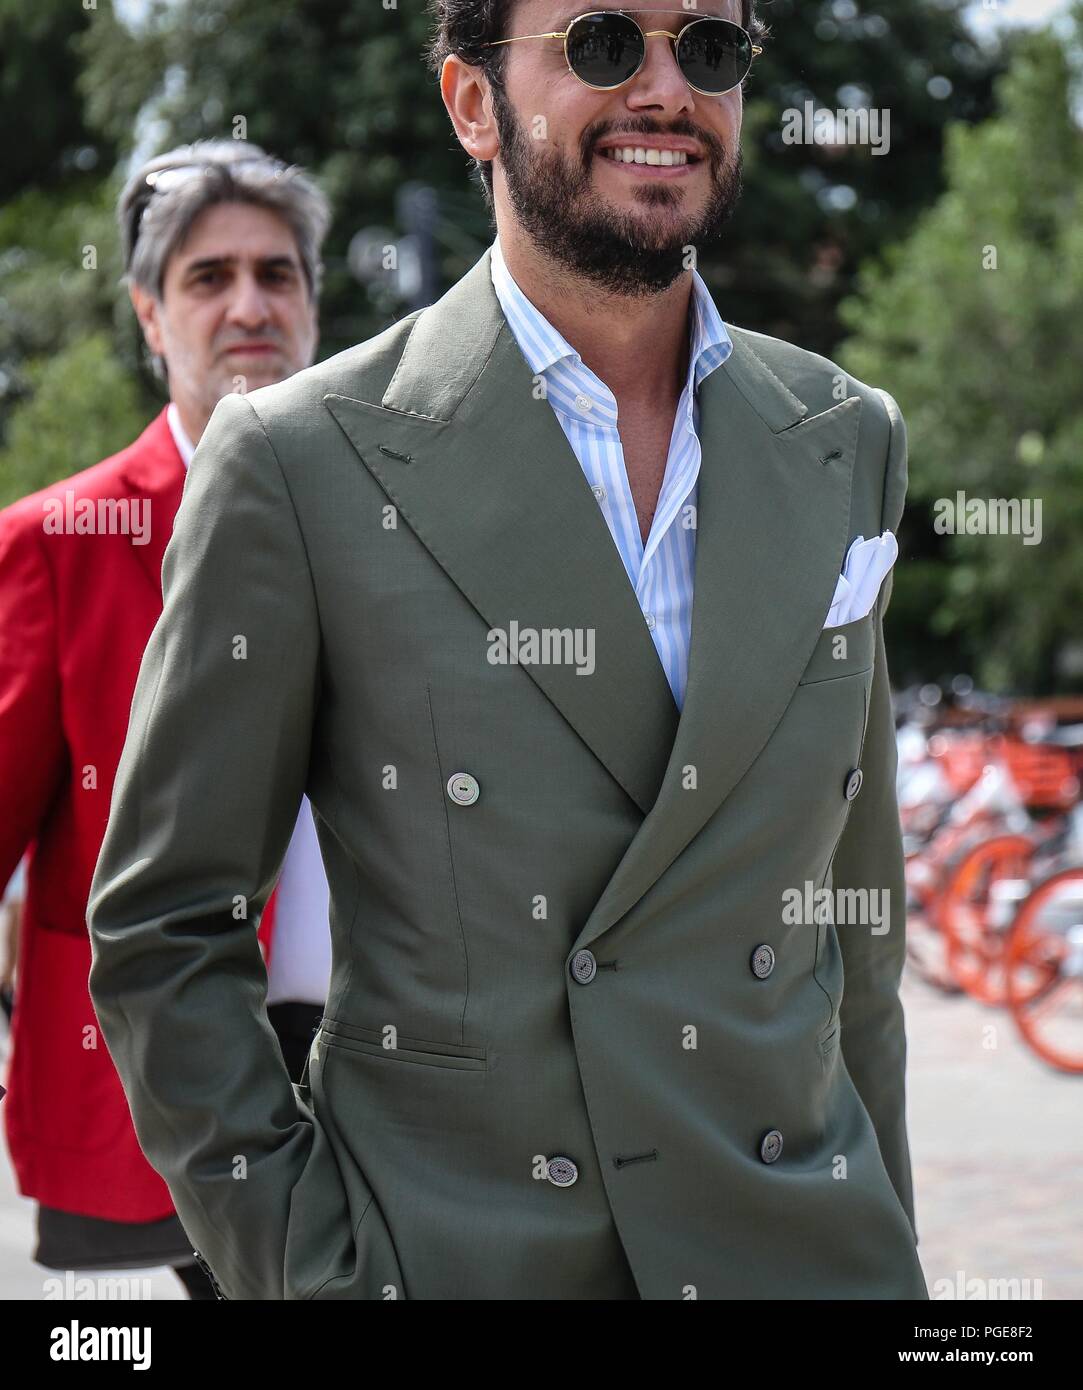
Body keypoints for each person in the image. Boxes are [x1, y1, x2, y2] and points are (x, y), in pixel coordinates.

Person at [87, 2, 929, 1299]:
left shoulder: (840, 437)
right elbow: (163, 926)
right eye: (601, 43)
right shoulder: (302, 464)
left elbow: (850, 927)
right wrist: (313, 1271)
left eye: (706, 48)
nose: (663, 88)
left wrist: (885, 1248)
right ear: (472, 105)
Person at [0, 139, 332, 1298]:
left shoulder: (390, 518)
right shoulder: (53, 545)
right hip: (149, 1100)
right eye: (207, 277)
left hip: (377, 1089)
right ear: (149, 314)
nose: (249, 305)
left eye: (278, 273)